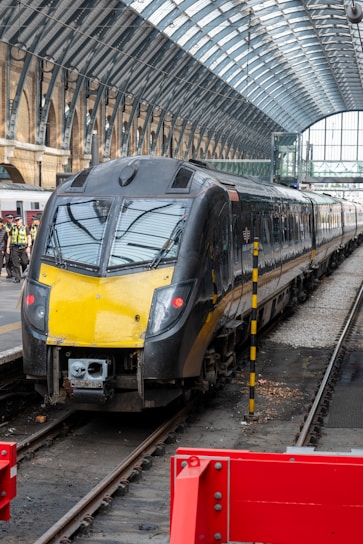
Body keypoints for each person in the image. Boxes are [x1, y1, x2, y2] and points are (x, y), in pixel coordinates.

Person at [6, 215, 31, 283]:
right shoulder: (13, 228)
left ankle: (25, 275)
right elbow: (10, 237)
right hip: (15, 247)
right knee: (15, 263)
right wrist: (8, 247)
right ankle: (17, 278)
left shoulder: (25, 228)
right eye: (16, 220)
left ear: (21, 220)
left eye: (18, 220)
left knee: (24, 262)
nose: (17, 222)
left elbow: (29, 237)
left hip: (23, 247)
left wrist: (29, 247)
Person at [4, 214, 14, 278]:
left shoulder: (14, 226)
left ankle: (13, 272)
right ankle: (9, 273)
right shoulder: (4, 226)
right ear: (6, 219)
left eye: (11, 218)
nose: (10, 219)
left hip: (13, 244)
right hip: (5, 244)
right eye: (9, 218)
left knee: (13, 259)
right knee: (7, 260)